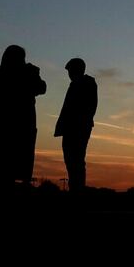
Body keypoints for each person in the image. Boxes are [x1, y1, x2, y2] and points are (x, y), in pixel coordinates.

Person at [0, 45, 47, 185]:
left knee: (7, 156)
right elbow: (41, 88)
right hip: (20, 122)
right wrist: (33, 73)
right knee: (20, 152)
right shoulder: (23, 73)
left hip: (3, 124)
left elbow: (41, 88)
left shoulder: (0, 76)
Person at [54, 58, 97, 192]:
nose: (69, 74)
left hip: (78, 129)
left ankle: (77, 190)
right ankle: (76, 189)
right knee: (72, 161)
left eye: (70, 70)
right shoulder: (77, 84)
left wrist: (80, 123)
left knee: (76, 160)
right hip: (72, 128)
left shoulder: (86, 83)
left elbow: (89, 107)